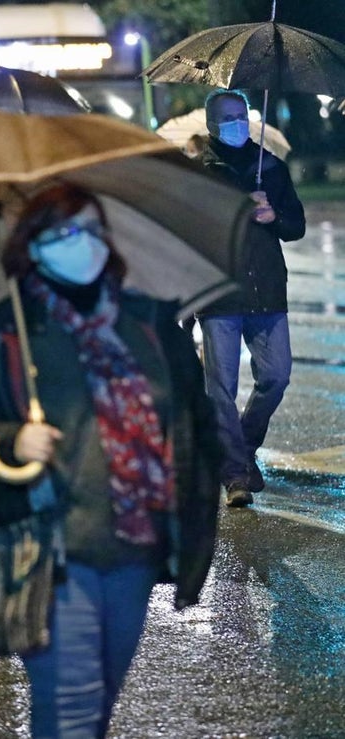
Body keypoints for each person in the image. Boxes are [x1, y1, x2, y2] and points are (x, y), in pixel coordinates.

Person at [0, 184, 221, 739]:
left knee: (100, 701)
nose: (79, 243)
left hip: (135, 550)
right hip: (52, 552)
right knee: (73, 710)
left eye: (89, 229)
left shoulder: (150, 324)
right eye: (61, 233)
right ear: (31, 247)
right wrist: (8, 441)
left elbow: (195, 417)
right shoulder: (3, 331)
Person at [197, 89, 305, 507]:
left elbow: (296, 225)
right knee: (220, 389)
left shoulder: (271, 167)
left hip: (267, 291)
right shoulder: (198, 172)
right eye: (227, 116)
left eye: (241, 114)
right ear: (211, 125)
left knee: (276, 375)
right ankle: (236, 475)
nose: (236, 123)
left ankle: (240, 447)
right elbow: (191, 229)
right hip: (220, 291)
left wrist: (273, 215)